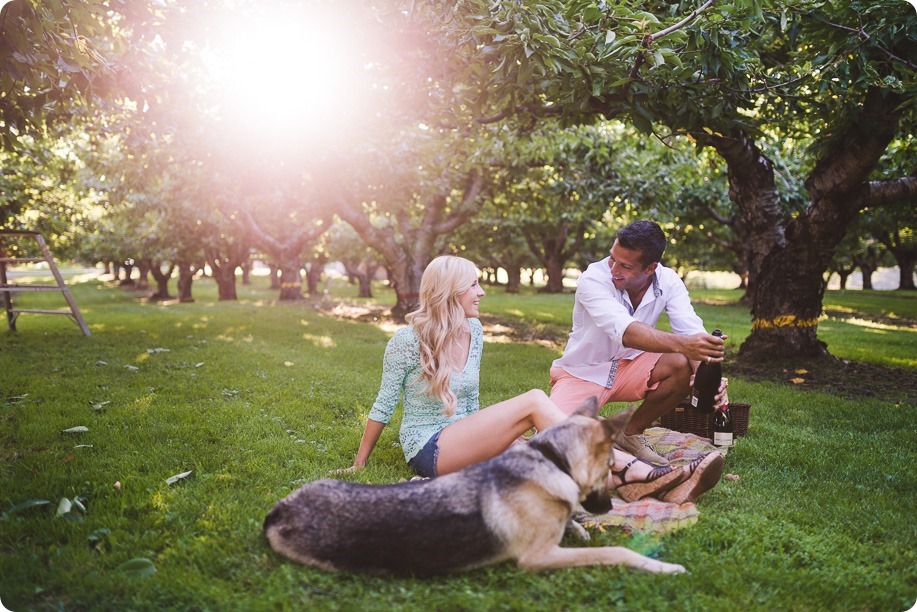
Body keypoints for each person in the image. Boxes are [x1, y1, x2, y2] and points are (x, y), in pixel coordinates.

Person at [337, 254, 723, 505]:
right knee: (537, 401)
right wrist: (359, 465)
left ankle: (646, 484)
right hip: (429, 448)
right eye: (473, 284)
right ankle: (639, 470)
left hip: (461, 438)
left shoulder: (475, 332)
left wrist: (499, 435)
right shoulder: (407, 341)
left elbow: (470, 407)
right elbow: (384, 405)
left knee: (545, 455)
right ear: (450, 291)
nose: (482, 291)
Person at [550, 220, 727, 466]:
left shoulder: (669, 280)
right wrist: (685, 344)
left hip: (633, 365)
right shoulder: (592, 279)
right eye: (612, 259)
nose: (614, 269)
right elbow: (625, 331)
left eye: (625, 266)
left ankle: (629, 433)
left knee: (682, 363)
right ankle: (593, 427)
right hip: (584, 372)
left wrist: (705, 377)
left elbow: (691, 332)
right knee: (553, 446)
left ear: (650, 268)